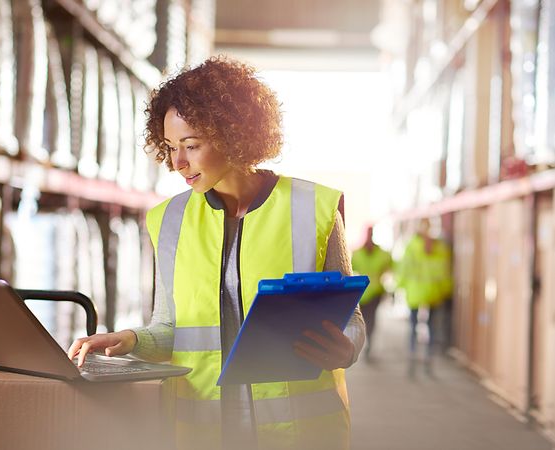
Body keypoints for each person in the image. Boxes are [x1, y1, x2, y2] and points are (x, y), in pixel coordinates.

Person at [67, 56, 366, 450]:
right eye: (170, 147)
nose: (177, 163)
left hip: (300, 434)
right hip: (203, 431)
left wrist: (345, 349)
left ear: (233, 134)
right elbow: (171, 328)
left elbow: (353, 321)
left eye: (191, 146)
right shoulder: (168, 219)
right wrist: (131, 340)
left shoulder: (314, 207)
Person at [396, 218, 452, 377]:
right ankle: (428, 359)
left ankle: (412, 356)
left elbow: (404, 268)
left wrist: (400, 286)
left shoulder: (411, 246)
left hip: (415, 292)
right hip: (434, 293)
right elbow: (445, 270)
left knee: (413, 327)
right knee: (431, 328)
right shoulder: (440, 247)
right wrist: (445, 290)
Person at [350, 224, 392, 360]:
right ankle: (365, 343)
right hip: (362, 294)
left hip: (375, 293)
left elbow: (390, 267)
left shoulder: (382, 253)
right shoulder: (357, 253)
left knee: (372, 319)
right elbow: (348, 269)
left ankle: (370, 343)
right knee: (363, 319)